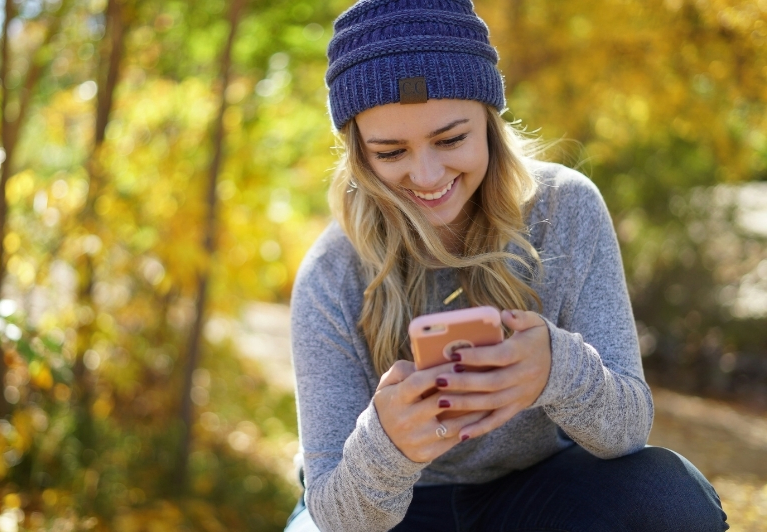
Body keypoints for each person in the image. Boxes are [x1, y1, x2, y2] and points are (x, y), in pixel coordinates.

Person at [286, 0, 729, 530]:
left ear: (490, 123)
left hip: (535, 487)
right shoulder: (330, 273)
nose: (426, 176)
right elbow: (336, 514)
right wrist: (389, 444)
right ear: (359, 152)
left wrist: (556, 370)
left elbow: (628, 428)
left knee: (666, 494)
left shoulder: (566, 209)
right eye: (391, 152)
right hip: (390, 508)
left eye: (451, 139)